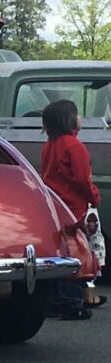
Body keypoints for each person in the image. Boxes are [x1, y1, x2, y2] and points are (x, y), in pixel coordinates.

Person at [41, 99, 106, 320]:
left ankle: (55, 298)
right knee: (78, 252)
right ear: (69, 119)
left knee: (60, 250)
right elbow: (81, 178)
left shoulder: (50, 145)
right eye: (77, 114)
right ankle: (72, 300)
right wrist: (94, 196)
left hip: (57, 204)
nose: (80, 118)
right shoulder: (74, 146)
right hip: (74, 205)